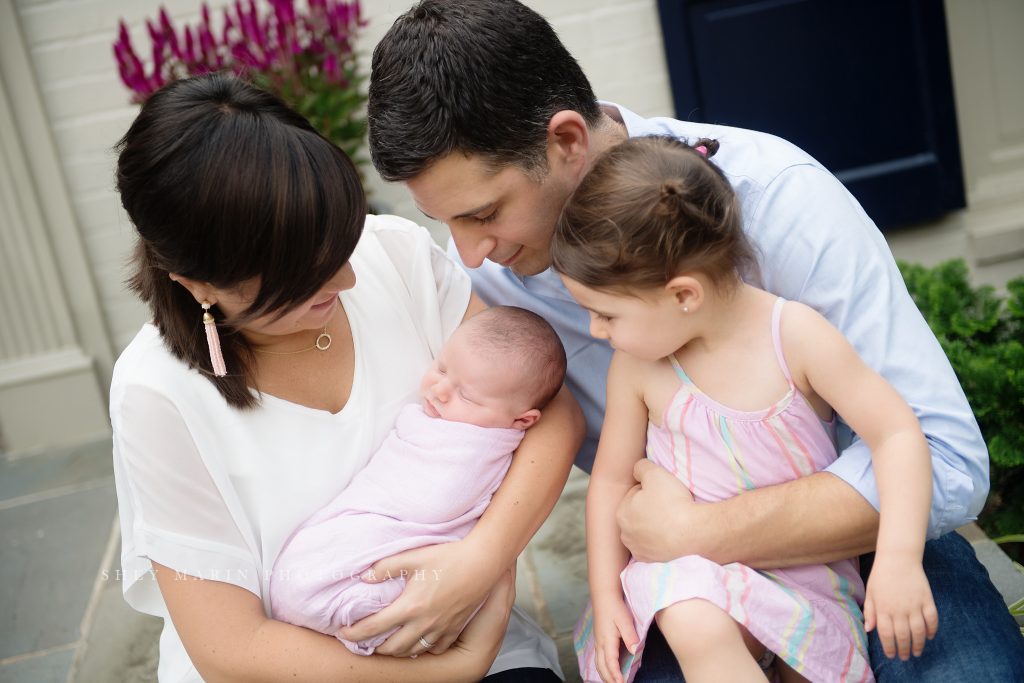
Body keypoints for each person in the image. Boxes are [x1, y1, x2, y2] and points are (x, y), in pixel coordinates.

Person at [365, 0, 1024, 679]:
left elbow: (945, 460)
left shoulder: (776, 200)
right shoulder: (497, 283)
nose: (471, 255)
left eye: (483, 214)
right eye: (449, 223)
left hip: (874, 539)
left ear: (565, 141)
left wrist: (702, 530)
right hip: (682, 586)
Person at [110, 72, 583, 683]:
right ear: (197, 282)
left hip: (450, 627)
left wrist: (479, 560)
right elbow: (231, 646)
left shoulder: (393, 255)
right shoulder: (156, 392)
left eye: (341, 245)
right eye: (304, 279)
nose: (348, 282)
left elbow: (553, 413)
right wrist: (448, 674)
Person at [551, 134, 940, 683]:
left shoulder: (795, 337)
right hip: (689, 575)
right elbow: (611, 482)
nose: (595, 331)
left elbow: (897, 433)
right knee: (692, 616)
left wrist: (898, 558)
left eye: (606, 314)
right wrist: (606, 593)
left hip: (805, 575)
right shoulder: (638, 369)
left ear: (684, 295)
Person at [270, 306, 567, 655]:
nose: (439, 389)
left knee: (330, 589)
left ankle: (363, 616)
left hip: (419, 564)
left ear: (522, 421)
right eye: (441, 367)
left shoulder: (480, 447)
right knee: (307, 572)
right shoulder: (447, 413)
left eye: (467, 396)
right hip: (351, 543)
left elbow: (435, 501)